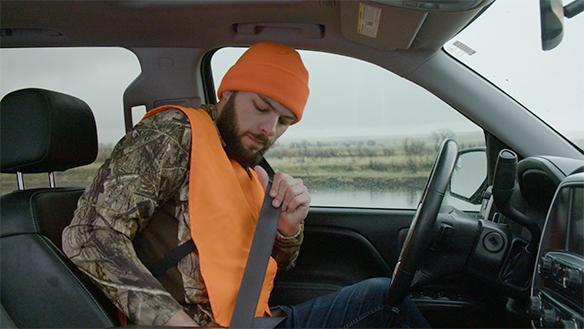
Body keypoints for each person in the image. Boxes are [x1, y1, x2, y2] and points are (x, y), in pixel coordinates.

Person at [63, 42, 429, 328]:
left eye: (284, 120)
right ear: (226, 94)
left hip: (252, 319)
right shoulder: (175, 135)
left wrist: (287, 228)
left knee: (384, 302)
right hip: (195, 323)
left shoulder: (250, 165)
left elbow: (264, 268)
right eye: (260, 107)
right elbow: (88, 236)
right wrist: (176, 323)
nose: (270, 129)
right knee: (383, 302)